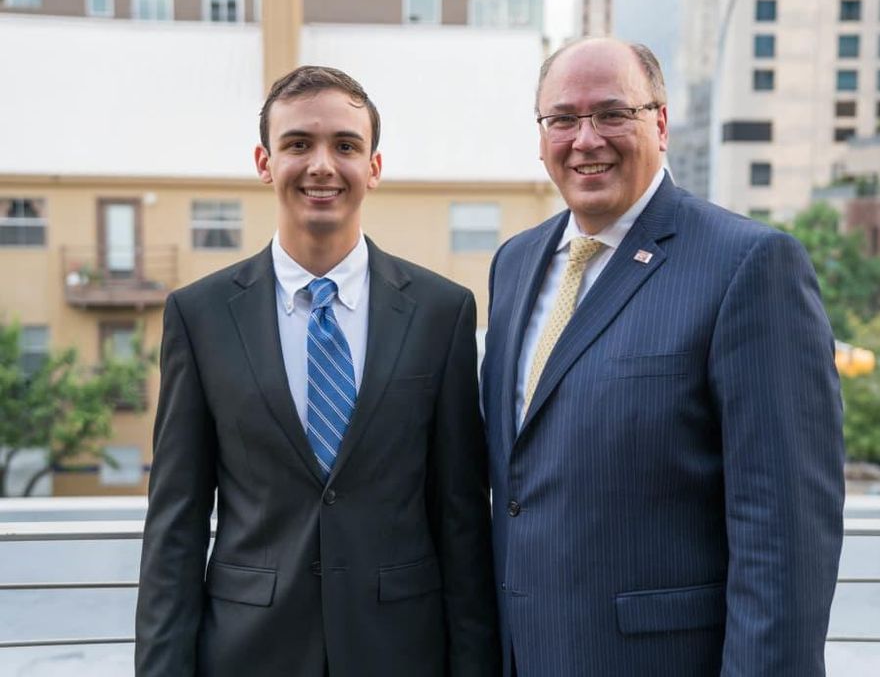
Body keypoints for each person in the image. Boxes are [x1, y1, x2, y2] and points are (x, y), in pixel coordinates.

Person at [480, 37, 844, 675]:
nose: (585, 139)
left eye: (613, 114)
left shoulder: (749, 266)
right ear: (542, 136)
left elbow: (785, 534)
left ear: (661, 124)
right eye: (562, 119)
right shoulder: (515, 263)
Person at [136, 65, 499, 677]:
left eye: (346, 146)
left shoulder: (443, 312)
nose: (322, 165)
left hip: (402, 652)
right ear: (265, 162)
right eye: (298, 144)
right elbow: (177, 521)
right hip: (248, 652)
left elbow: (460, 517)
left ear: (374, 168)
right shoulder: (198, 316)